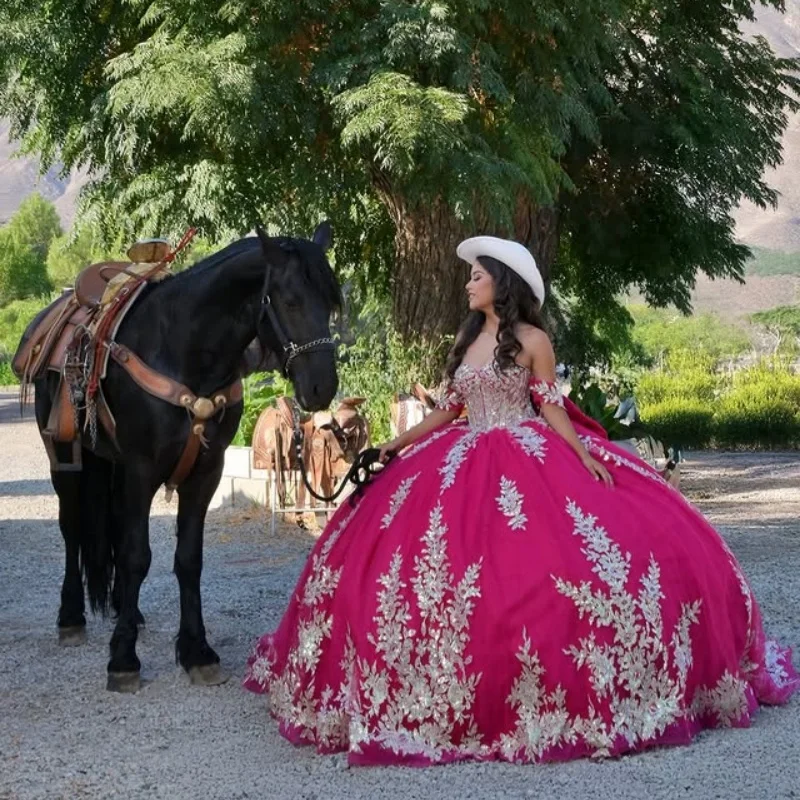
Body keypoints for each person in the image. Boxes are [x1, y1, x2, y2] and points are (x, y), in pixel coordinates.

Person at [244, 236, 798, 766]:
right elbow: (447, 411)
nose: (468, 284)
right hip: (462, 450)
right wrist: (393, 445)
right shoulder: (465, 341)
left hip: (526, 448)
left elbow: (551, 406)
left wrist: (583, 457)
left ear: (501, 284)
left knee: (548, 563)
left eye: (477, 276)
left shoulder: (533, 341)